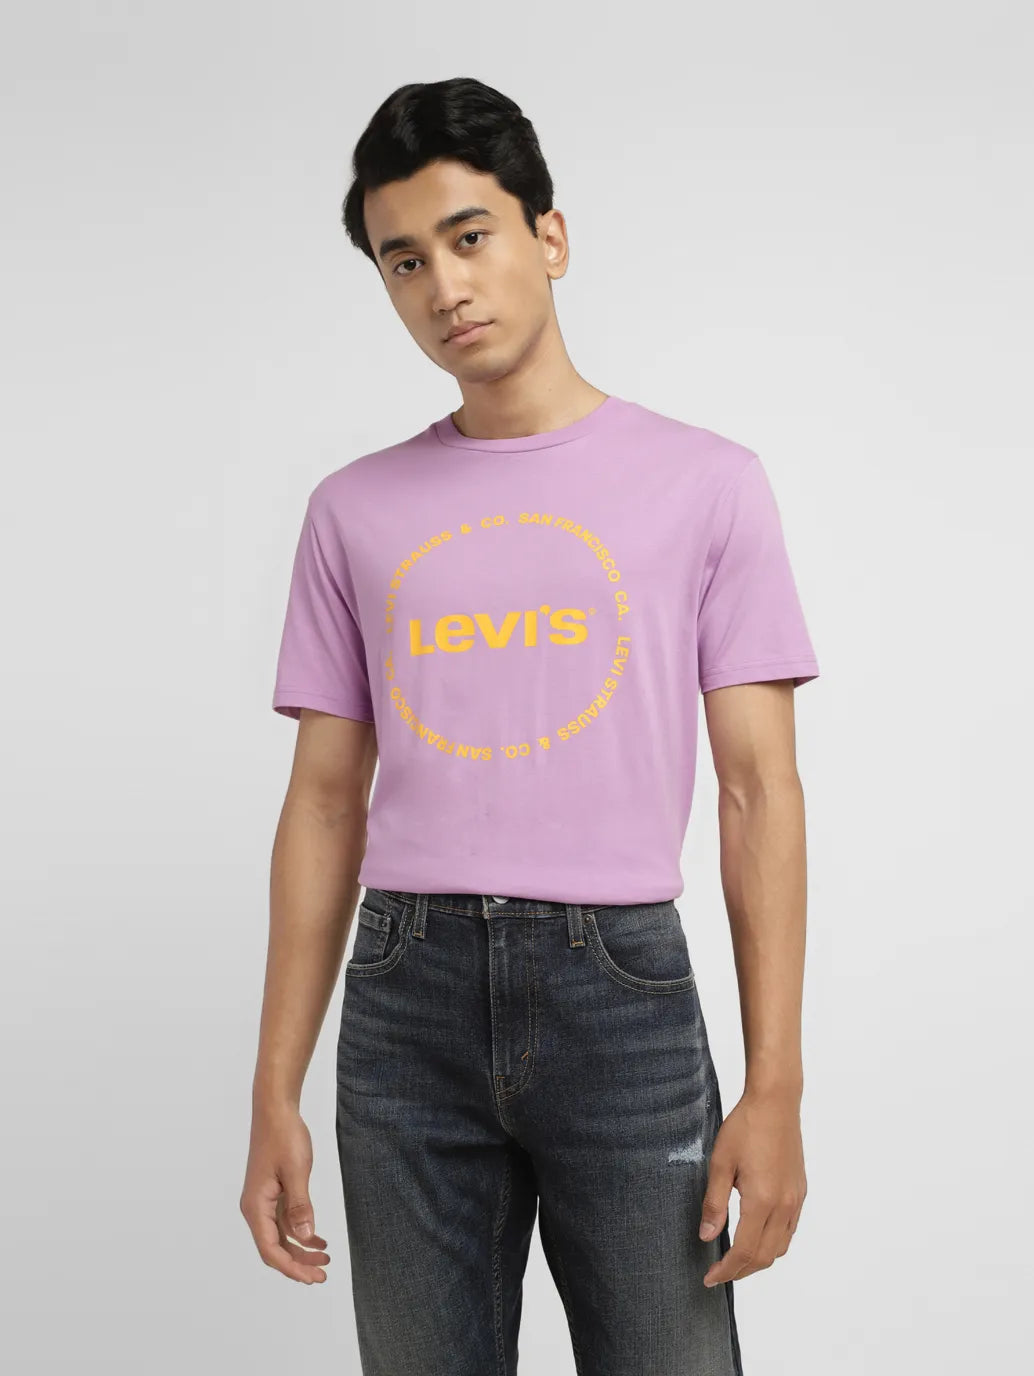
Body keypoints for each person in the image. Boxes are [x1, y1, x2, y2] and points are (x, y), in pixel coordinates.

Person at [240, 75, 820, 1376]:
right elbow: (323, 801)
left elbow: (757, 793)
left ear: (547, 236)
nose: (444, 286)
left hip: (620, 992)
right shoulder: (352, 511)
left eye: (470, 236)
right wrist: (274, 1085)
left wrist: (774, 1082)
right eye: (404, 260)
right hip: (405, 998)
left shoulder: (707, 485)